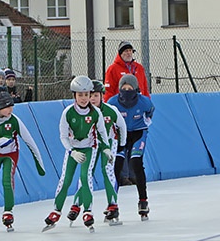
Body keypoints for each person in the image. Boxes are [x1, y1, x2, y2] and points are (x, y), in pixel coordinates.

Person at [43, 76, 112, 230]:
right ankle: (56, 210)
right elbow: (63, 136)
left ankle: (87, 211)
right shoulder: (68, 113)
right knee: (65, 179)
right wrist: (71, 151)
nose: (83, 98)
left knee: (85, 177)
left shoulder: (95, 113)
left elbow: (102, 132)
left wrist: (106, 147)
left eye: (86, 95)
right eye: (80, 95)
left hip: (89, 148)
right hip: (73, 149)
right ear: (74, 95)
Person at [0, 92, 47, 230]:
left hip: (10, 154)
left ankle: (8, 211)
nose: (11, 110)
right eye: (8, 107)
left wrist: (39, 164)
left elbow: (29, 140)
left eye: (12, 106)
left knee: (7, 180)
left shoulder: (14, 120)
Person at [69, 80, 127, 224]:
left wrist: (121, 145)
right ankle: (77, 204)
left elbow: (122, 126)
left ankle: (113, 204)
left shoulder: (110, 110)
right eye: (90, 96)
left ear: (102, 96)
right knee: (87, 171)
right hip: (91, 144)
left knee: (107, 170)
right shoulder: (82, 111)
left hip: (108, 142)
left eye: (96, 95)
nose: (92, 99)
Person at [107, 74, 155, 220]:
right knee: (117, 166)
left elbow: (150, 112)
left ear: (136, 89)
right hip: (121, 135)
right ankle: (112, 204)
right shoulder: (113, 102)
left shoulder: (144, 102)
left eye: (130, 88)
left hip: (138, 134)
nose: (127, 91)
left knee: (136, 163)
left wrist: (145, 123)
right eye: (124, 88)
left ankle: (143, 201)